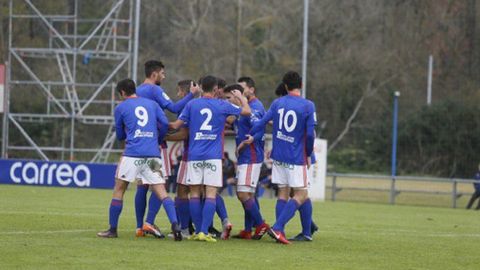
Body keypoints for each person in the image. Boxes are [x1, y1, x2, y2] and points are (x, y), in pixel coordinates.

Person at [96, 79, 181, 241]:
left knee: (120, 189)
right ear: (134, 89)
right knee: (162, 191)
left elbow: (120, 135)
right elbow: (164, 123)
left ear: (122, 92)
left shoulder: (120, 107)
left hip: (132, 154)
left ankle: (112, 229)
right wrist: (158, 137)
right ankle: (175, 224)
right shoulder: (152, 104)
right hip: (153, 154)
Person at [170, 75, 251, 242]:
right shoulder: (222, 104)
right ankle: (204, 232)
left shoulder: (192, 104)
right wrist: (241, 98)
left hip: (193, 156)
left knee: (194, 193)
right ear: (215, 89)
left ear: (201, 88)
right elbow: (247, 112)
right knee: (210, 194)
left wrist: (158, 128)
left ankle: (196, 231)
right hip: (213, 156)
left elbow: (176, 126)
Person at [246, 71, 316, 244]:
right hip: (296, 156)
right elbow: (310, 135)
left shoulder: (277, 103)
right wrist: (308, 153)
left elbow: (261, 123)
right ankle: (278, 227)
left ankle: (285, 232)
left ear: (285, 86)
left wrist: (250, 135)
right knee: (301, 194)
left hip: (279, 156)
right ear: (301, 85)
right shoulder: (308, 105)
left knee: (283, 193)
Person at [134, 60, 198, 238]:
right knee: (159, 182)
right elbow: (175, 107)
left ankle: (139, 226)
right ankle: (149, 222)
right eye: (162, 73)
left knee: (142, 185)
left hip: (138, 145)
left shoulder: (137, 91)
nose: (164, 76)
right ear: (154, 74)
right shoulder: (155, 90)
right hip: (155, 145)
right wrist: (192, 94)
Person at [225, 81, 271, 240]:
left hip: (250, 156)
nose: (229, 99)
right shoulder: (240, 108)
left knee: (244, 194)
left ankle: (260, 225)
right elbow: (233, 121)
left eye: (229, 97)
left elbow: (260, 126)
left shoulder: (254, 106)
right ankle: (248, 229)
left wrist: (252, 138)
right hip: (245, 157)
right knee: (248, 195)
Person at [274, 82, 319, 241]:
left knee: (298, 193)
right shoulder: (298, 107)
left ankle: (286, 228)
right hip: (291, 156)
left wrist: (308, 153)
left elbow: (309, 133)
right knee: (297, 193)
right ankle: (307, 228)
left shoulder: (298, 107)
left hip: (299, 156)